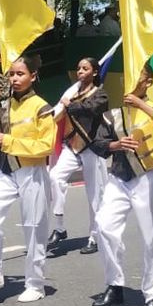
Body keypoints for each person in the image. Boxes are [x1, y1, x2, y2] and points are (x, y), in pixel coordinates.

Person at [90, 64, 153, 306]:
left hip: (149, 177)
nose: (131, 80)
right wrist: (115, 144)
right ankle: (114, 285)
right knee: (104, 226)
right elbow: (97, 143)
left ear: (148, 81)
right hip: (119, 178)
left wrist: (142, 105)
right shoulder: (114, 114)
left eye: (137, 75)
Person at [0, 54, 56, 303]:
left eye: (20, 74)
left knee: (34, 227)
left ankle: (35, 283)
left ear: (33, 76)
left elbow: (46, 145)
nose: (15, 79)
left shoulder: (42, 107)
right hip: (5, 169)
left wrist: (10, 142)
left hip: (32, 170)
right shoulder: (4, 104)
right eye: (12, 74)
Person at [47, 57, 110, 254]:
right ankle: (59, 225)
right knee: (55, 177)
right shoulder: (73, 92)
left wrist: (69, 105)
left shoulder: (100, 94)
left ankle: (94, 236)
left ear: (94, 72)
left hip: (92, 147)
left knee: (94, 195)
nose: (80, 71)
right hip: (72, 146)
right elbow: (59, 113)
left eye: (85, 68)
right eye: (78, 68)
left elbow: (91, 109)